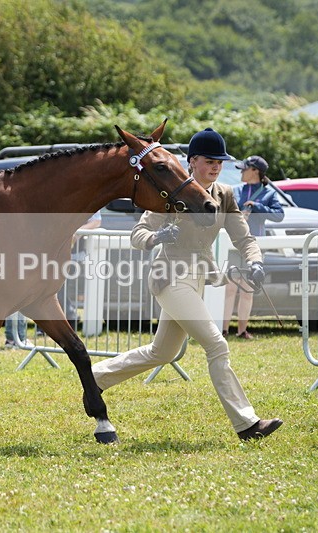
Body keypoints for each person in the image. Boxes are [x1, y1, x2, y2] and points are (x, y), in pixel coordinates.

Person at [90, 128, 283, 442]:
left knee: (162, 352)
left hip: (198, 280)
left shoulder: (225, 195)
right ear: (192, 161)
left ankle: (95, 377)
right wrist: (158, 237)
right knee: (217, 345)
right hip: (170, 278)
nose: (216, 166)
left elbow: (244, 237)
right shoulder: (171, 189)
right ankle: (248, 424)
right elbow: (138, 235)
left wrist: (256, 261)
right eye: (209, 161)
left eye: (219, 161)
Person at [222, 155, 285, 339]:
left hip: (255, 247)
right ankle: (224, 330)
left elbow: (279, 215)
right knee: (230, 288)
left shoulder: (269, 193)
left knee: (247, 289)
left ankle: (242, 330)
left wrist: (257, 206)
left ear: (255, 171)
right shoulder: (234, 191)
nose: (241, 172)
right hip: (234, 245)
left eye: (244, 168)